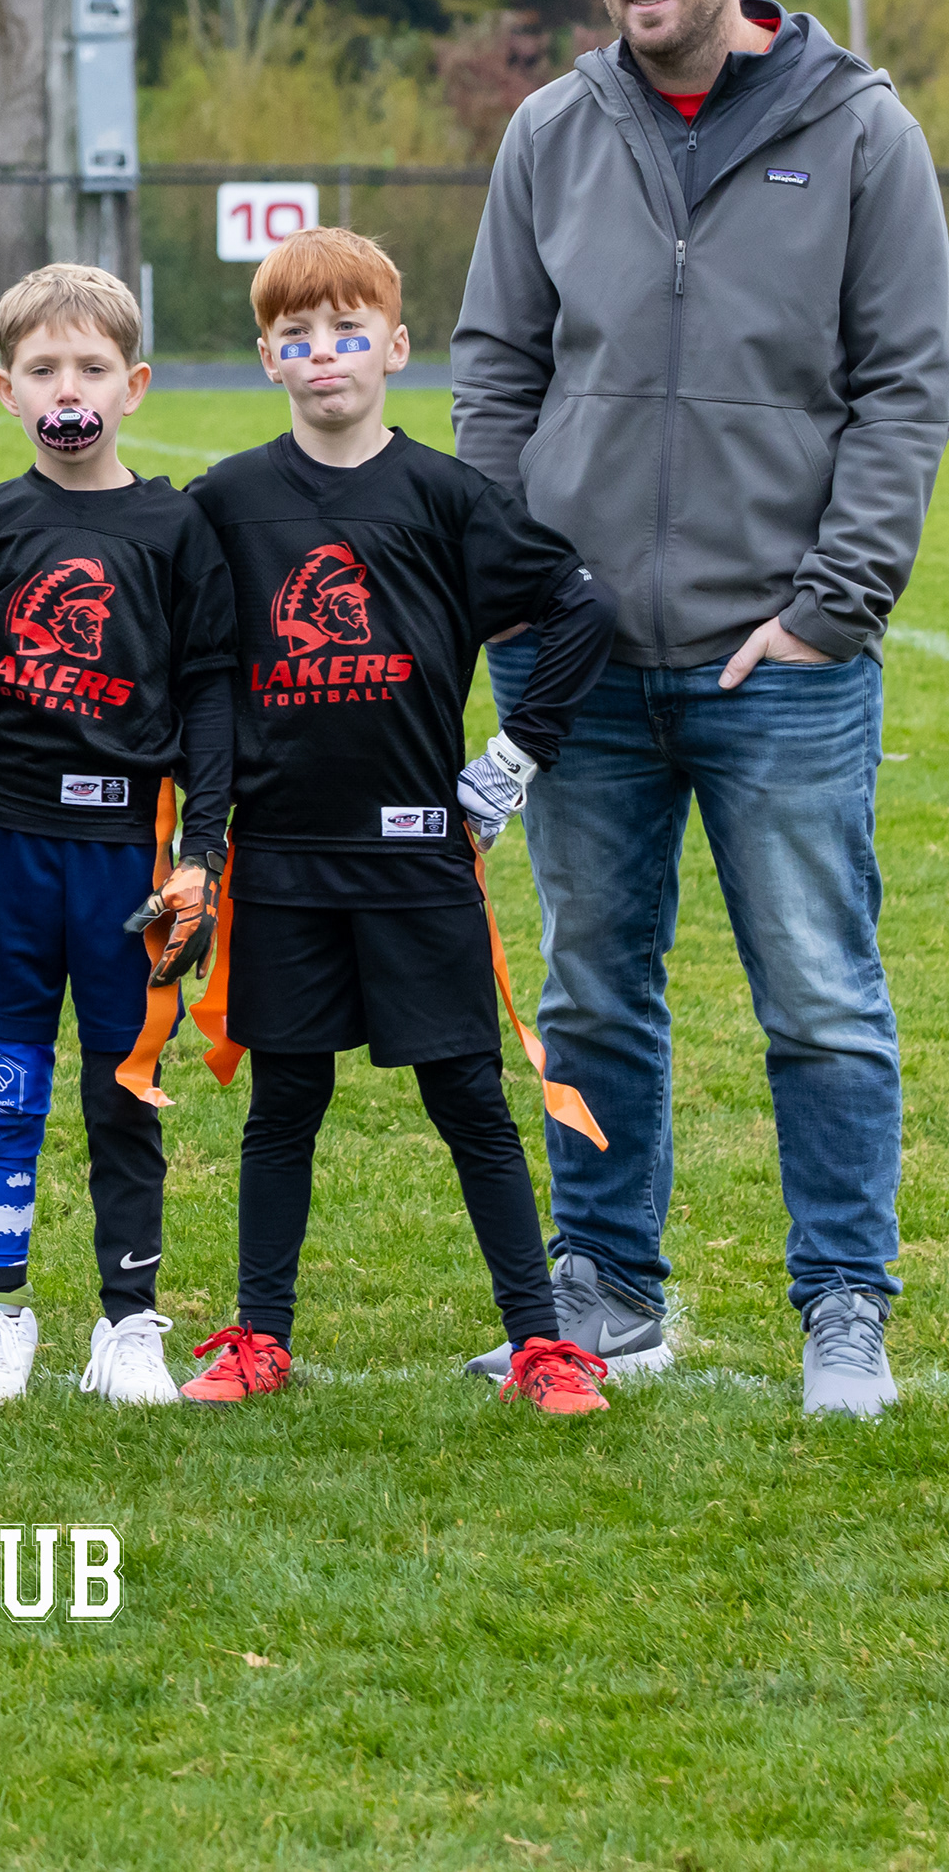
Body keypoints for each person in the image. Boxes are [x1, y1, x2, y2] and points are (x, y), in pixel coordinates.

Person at [453, 0, 949, 1420]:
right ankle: (608, 1290)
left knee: (819, 992)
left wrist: (832, 607)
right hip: (579, 663)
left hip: (779, 662)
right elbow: (495, 370)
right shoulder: (552, 128)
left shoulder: (862, 131)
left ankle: (845, 1304)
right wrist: (519, 588)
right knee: (594, 988)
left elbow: (902, 388)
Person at [180, 230, 622, 1416]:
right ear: (266, 357)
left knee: (469, 1096)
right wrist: (201, 835)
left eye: (349, 331)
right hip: (283, 855)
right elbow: (186, 656)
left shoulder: (447, 496)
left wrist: (509, 763)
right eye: (296, 336)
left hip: (418, 852)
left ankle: (540, 1342)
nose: (324, 354)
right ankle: (258, 1335)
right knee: (285, 1099)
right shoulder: (226, 501)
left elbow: (582, 609)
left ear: (397, 347)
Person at [0, 263, 235, 1409]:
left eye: (93, 367)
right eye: (45, 368)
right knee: (7, 1083)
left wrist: (202, 851)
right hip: (8, 846)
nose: (70, 388)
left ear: (134, 384)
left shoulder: (176, 528)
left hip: (128, 857)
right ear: (6, 389)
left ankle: (129, 1320)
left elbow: (208, 698)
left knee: (124, 1085)